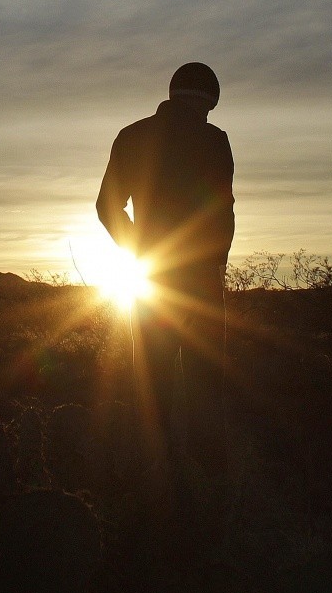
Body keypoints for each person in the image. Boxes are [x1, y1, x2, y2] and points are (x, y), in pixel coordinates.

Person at [96, 62, 234, 470]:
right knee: (205, 386)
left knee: (151, 388)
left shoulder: (132, 136)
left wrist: (138, 248)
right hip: (203, 283)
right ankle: (207, 487)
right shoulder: (215, 141)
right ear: (210, 102)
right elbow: (222, 213)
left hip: (151, 278)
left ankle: (154, 484)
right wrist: (216, 267)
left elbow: (107, 207)